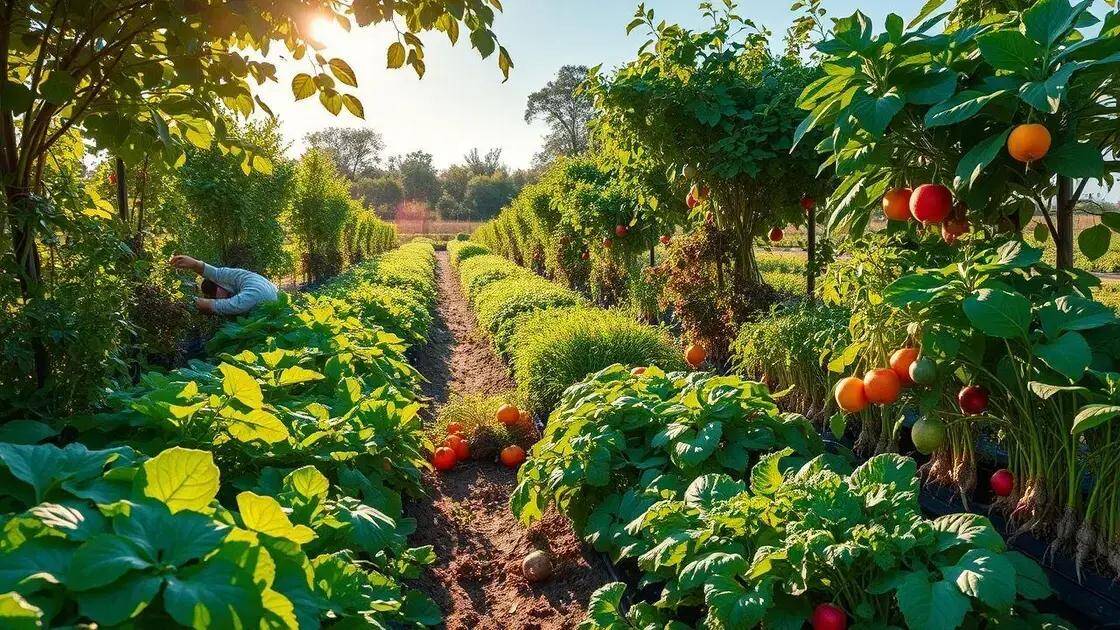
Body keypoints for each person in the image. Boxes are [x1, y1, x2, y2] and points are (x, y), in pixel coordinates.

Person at [169, 255, 278, 316]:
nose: (214, 298)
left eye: (213, 295)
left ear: (220, 285)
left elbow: (225, 305)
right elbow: (216, 273)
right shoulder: (241, 277)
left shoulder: (251, 294)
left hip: (269, 315)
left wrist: (178, 300)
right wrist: (194, 264)